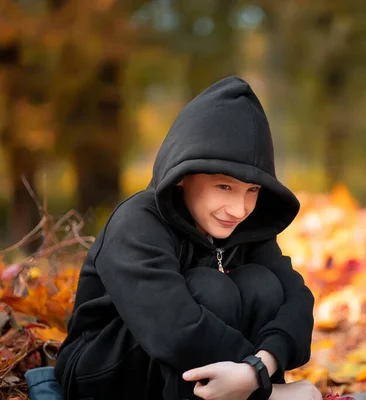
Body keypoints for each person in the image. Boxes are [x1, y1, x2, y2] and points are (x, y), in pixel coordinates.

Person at [46, 76, 318, 399]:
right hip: (103, 377)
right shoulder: (135, 224)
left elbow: (297, 300)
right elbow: (175, 330)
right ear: (183, 174)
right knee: (211, 289)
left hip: (206, 372)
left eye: (253, 191)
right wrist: (269, 393)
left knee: (263, 284)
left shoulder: (244, 227)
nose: (239, 208)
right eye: (225, 187)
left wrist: (259, 368)